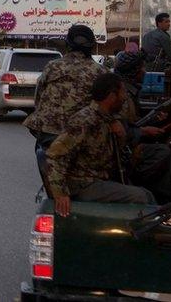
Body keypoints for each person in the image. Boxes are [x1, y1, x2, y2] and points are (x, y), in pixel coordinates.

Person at [47, 73, 157, 217]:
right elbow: (55, 156)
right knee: (140, 197)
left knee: (147, 193)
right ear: (111, 96)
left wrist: (121, 136)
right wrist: (60, 193)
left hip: (99, 180)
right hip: (84, 184)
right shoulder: (85, 121)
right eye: (122, 92)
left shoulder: (107, 119)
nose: (124, 98)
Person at [24, 24, 105, 184]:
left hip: (48, 135)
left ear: (68, 45)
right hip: (82, 139)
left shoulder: (52, 67)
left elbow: (38, 99)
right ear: (92, 46)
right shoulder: (100, 72)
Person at [114, 51, 171, 202]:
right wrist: (143, 131)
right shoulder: (122, 96)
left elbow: (133, 122)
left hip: (132, 142)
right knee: (162, 152)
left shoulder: (130, 91)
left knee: (170, 155)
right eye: (141, 69)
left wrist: (154, 121)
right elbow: (120, 128)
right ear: (134, 72)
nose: (144, 72)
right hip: (123, 151)